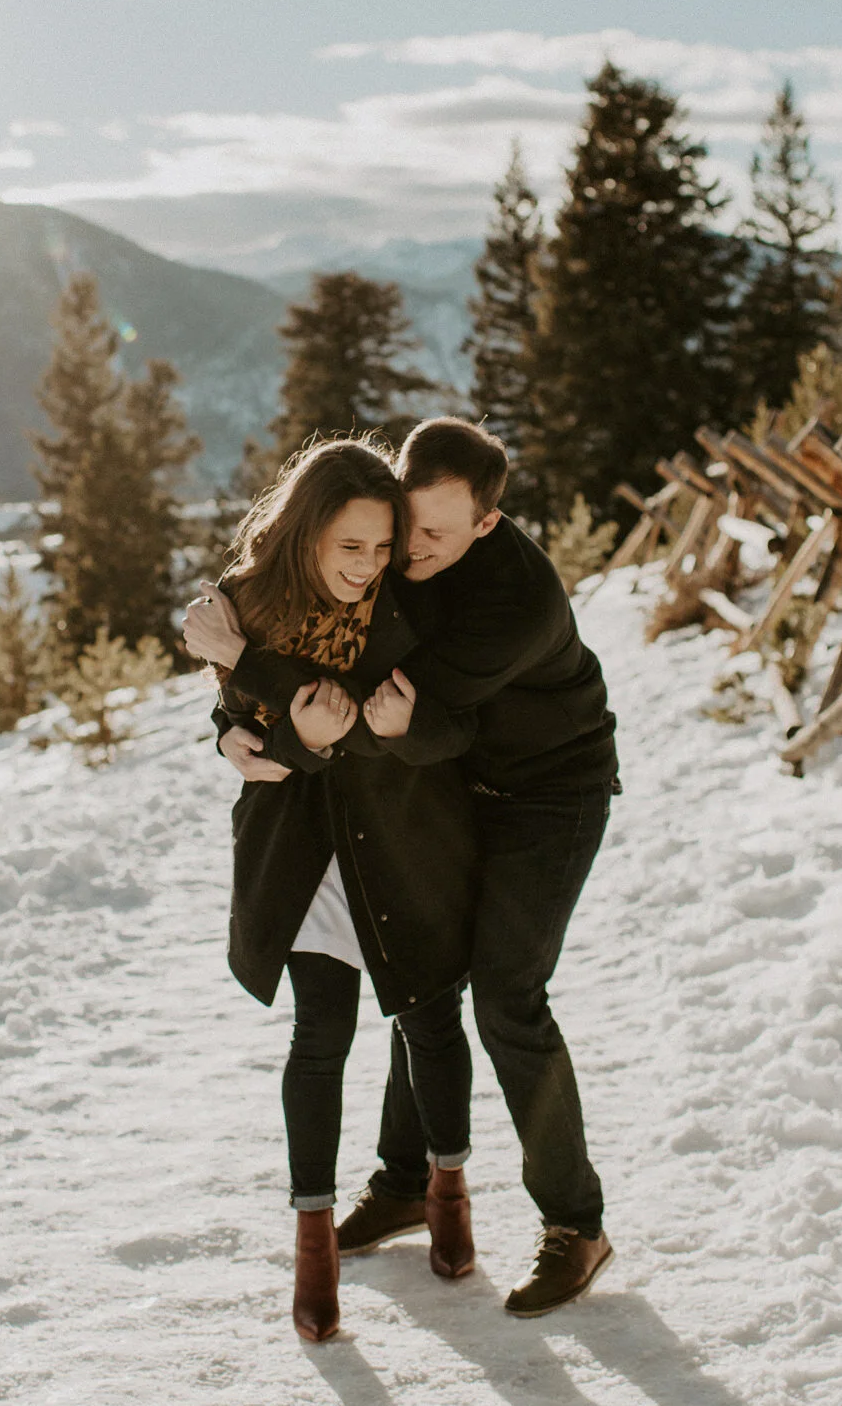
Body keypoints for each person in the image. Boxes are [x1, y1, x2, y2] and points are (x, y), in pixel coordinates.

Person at [191, 418, 619, 1318]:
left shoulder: (515, 604)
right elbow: (308, 642)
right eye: (401, 526)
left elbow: (379, 712)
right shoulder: (385, 557)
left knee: (505, 995)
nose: (408, 552)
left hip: (546, 790)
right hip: (456, 790)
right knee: (413, 964)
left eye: (432, 536)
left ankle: (577, 1224)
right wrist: (229, 722)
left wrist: (248, 667)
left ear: (486, 526)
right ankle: (402, 1183)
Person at [203, 439, 479, 1342]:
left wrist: (253, 675)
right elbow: (262, 726)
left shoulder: (408, 604)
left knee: (430, 1018)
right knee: (321, 1032)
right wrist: (231, 733)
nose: (365, 568)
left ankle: (448, 1195)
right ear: (305, 534)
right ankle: (312, 1244)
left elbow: (355, 723)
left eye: (378, 548)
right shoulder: (247, 603)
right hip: (301, 849)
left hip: (398, 839)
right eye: (347, 548)